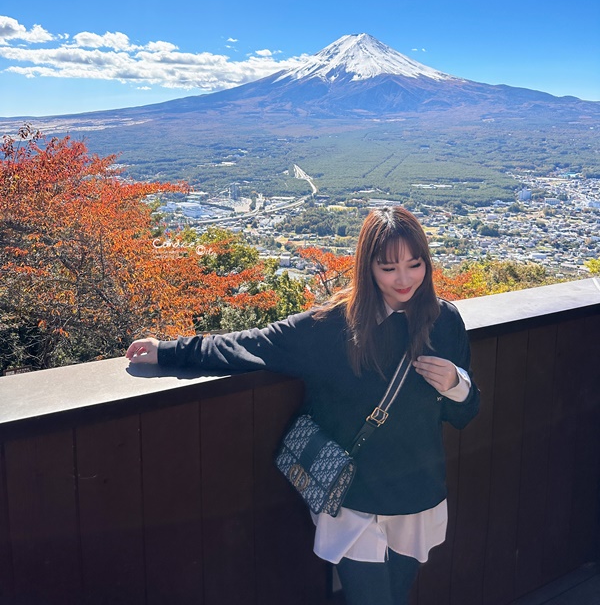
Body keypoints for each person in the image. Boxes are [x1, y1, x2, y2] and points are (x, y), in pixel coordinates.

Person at [126, 206, 479, 605]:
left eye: (414, 265)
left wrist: (456, 384)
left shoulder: (443, 321)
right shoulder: (332, 327)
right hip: (352, 497)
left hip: (415, 494)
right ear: (367, 267)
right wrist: (168, 351)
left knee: (396, 598)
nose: (404, 280)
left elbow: (464, 413)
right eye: (388, 268)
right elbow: (249, 344)